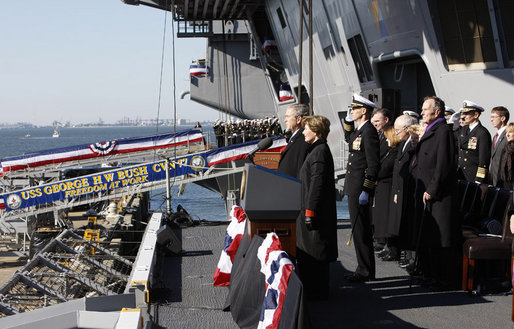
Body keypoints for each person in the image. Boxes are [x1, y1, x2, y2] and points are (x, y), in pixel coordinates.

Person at [412, 96, 458, 291]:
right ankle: (431, 275)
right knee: (432, 237)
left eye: (425, 109)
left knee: (442, 239)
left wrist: (432, 188)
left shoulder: (443, 132)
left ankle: (444, 279)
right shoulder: (433, 130)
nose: (422, 112)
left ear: (437, 112)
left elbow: (443, 164)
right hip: (428, 192)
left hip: (439, 195)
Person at [296, 115, 338, 300]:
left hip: (314, 212)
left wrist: (310, 211)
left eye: (306, 129)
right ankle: (313, 288)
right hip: (308, 208)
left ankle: (317, 291)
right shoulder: (316, 150)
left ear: (316, 131)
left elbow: (317, 184)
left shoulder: (319, 151)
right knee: (309, 251)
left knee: (315, 250)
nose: (304, 132)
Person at [342, 94, 380, 282]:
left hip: (360, 187)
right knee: (358, 229)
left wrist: (367, 189)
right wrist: (347, 122)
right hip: (354, 186)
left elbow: (373, 164)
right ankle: (363, 267)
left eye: (354, 109)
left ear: (364, 111)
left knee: (361, 230)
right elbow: (349, 139)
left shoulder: (369, 132)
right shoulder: (360, 131)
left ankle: (365, 270)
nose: (352, 111)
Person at [389, 115, 419, 270]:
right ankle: (408, 255)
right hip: (402, 188)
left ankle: (412, 257)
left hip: (411, 189)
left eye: (398, 130)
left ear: (407, 129)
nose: (396, 133)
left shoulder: (414, 145)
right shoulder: (403, 144)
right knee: (404, 222)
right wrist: (396, 191)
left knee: (410, 223)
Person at [373, 126, 399, 261]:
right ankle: (387, 246)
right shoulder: (390, 151)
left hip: (388, 187)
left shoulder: (395, 152)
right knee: (382, 218)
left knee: (388, 219)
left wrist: (373, 174)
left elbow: (386, 169)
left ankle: (392, 249)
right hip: (383, 186)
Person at [371, 108, 393, 253]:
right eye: (373, 121)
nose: (375, 124)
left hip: (386, 178)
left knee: (384, 212)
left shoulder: (390, 135)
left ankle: (383, 240)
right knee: (377, 211)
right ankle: (378, 237)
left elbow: (390, 157)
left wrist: (377, 174)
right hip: (377, 178)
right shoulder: (377, 135)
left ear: (386, 121)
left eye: (377, 121)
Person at [457, 100, 491, 183]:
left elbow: (484, 159)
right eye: (463, 113)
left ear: (476, 115)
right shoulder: (464, 129)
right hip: (461, 174)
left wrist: (479, 179)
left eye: (467, 114)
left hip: (472, 176)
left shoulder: (482, 132)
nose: (463, 116)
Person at [277, 104, 310, 179]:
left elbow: (300, 166)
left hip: (292, 185)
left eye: (287, 117)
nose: (285, 120)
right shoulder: (295, 137)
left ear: (298, 119)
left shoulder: (302, 139)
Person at [489, 106, 510, 186]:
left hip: (504, 181)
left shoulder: (508, 135)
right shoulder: (495, 137)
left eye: (494, 117)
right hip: (494, 180)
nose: (491, 120)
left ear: (503, 118)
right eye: (491, 117)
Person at [498, 123, 514, 189]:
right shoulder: (506, 148)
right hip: (506, 184)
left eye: (510, 132)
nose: (507, 135)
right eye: (506, 132)